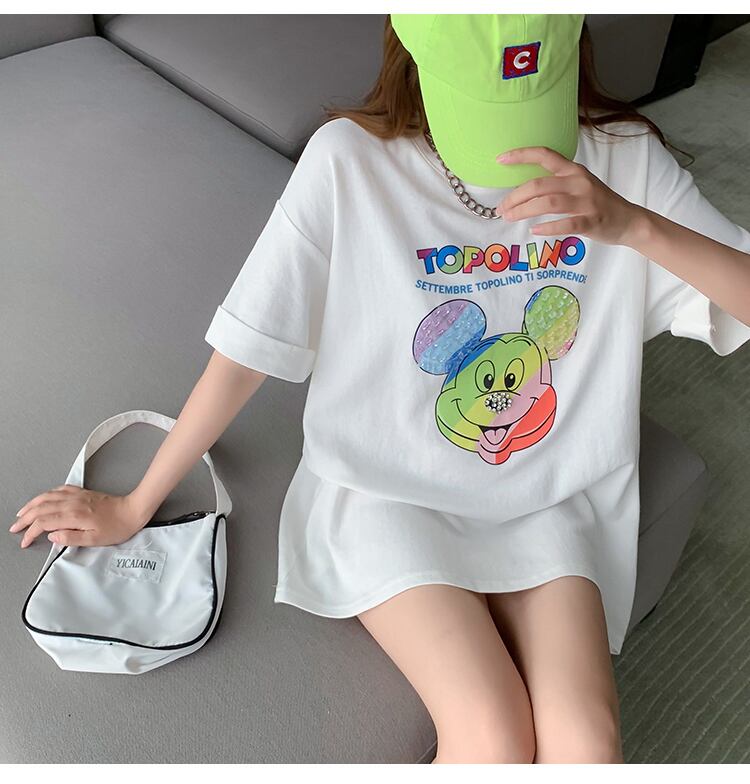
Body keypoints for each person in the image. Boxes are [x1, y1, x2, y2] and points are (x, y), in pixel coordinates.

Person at [10, 14, 750, 764]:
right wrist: (136, 504)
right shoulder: (350, 162)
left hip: (550, 492)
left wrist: (636, 227)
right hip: (390, 487)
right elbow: (245, 350)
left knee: (586, 746)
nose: (510, 156)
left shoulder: (625, 159)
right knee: (491, 735)